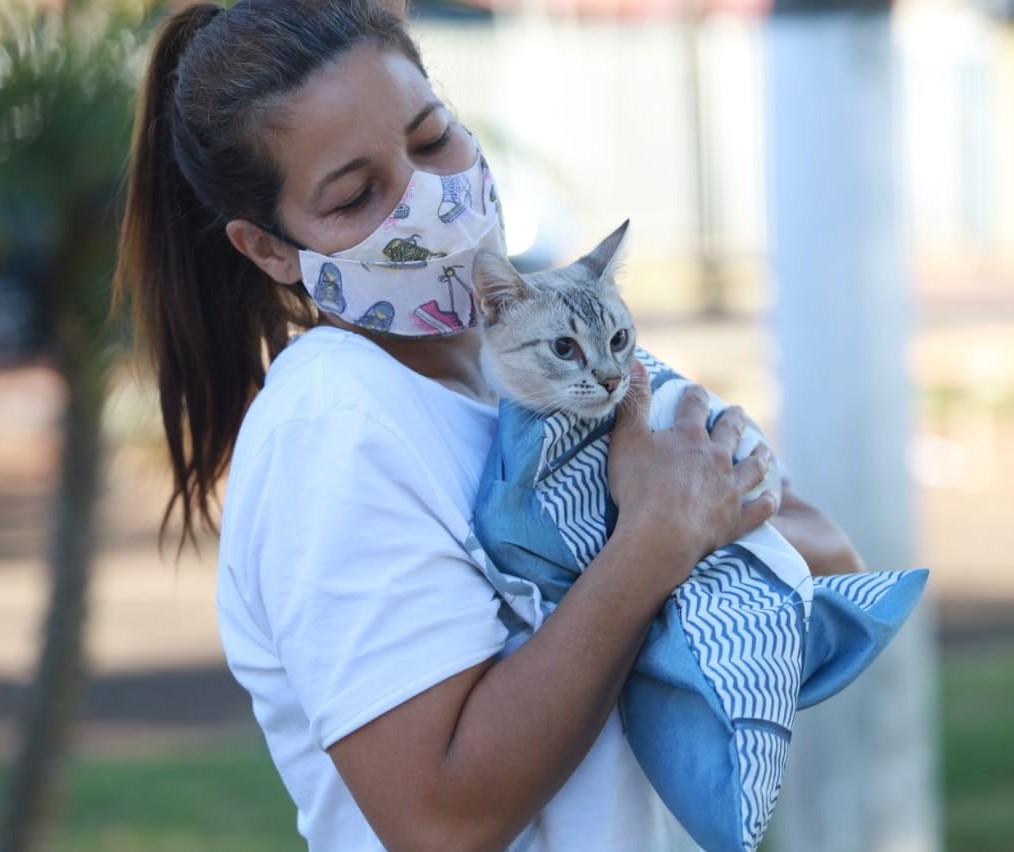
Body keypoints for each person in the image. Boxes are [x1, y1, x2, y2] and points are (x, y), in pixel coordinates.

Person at [114, 1, 864, 849]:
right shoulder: (335, 426)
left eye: (433, 140)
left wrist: (692, 533)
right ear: (271, 249)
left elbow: (832, 556)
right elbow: (441, 820)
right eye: (359, 195)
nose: (429, 201)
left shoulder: (548, 350)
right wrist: (659, 539)